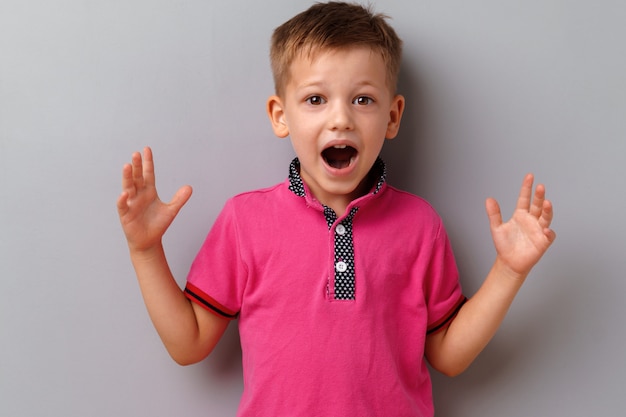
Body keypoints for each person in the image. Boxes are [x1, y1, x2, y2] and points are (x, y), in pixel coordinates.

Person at [116, 2, 556, 416]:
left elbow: (448, 354)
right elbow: (188, 343)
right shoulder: (244, 222)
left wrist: (509, 272)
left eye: (362, 99)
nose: (341, 118)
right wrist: (145, 250)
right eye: (315, 99)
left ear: (392, 116)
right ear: (279, 114)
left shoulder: (421, 226)